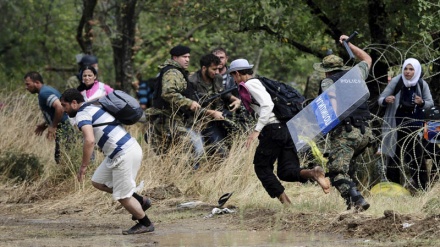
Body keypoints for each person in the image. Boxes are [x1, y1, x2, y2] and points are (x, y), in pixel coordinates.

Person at [227, 58, 330, 205]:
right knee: (286, 171)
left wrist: (257, 130)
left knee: (262, 167)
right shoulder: (260, 82)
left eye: (232, 76)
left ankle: (287, 204)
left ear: (237, 73)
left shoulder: (250, 84)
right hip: (286, 129)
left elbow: (267, 105)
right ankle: (313, 173)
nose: (233, 80)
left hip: (273, 130)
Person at [60, 88, 154, 235]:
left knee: (122, 196)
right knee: (98, 181)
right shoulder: (92, 107)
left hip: (124, 152)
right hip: (121, 151)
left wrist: (83, 166)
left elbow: (89, 140)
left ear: (73, 103)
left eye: (64, 105)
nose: (64, 110)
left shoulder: (82, 114)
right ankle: (141, 200)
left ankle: (145, 223)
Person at [313, 35, 374, 211]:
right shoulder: (356, 73)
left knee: (335, 171)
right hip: (365, 133)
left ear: (326, 70)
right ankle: (352, 207)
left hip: (346, 132)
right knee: (348, 169)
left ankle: (356, 200)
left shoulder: (328, 81)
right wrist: (349, 44)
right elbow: (367, 58)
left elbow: (330, 103)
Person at [378, 58, 434, 190]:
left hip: (414, 126)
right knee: (393, 157)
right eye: (406, 69)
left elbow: (430, 103)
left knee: (416, 157)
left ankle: (422, 187)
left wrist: (422, 103)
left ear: (417, 70)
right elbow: (380, 99)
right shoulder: (397, 81)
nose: (408, 72)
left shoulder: (421, 84)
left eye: (411, 69)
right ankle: (394, 188)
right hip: (395, 125)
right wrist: (387, 100)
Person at [148, 45, 204, 167]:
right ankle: (188, 175)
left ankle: (175, 175)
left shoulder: (177, 72)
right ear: (175, 58)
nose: (188, 60)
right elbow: (168, 93)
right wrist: (189, 103)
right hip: (167, 117)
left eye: (189, 57)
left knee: (171, 151)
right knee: (189, 146)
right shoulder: (172, 72)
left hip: (171, 118)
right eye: (184, 57)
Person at [187, 53, 241, 157]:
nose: (217, 72)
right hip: (200, 121)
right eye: (214, 69)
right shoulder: (192, 82)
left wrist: (236, 100)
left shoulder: (218, 78)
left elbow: (224, 94)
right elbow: (192, 107)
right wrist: (212, 113)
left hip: (219, 119)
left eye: (218, 69)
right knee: (219, 149)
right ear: (204, 68)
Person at [24, 71, 74, 164]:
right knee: (62, 156)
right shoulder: (45, 91)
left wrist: (53, 126)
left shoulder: (44, 93)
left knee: (62, 158)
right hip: (64, 126)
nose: (26, 87)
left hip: (64, 127)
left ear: (37, 82)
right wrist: (45, 124)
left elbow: (59, 107)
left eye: (28, 84)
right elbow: (54, 111)